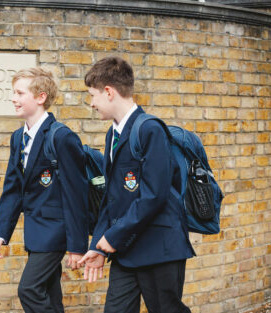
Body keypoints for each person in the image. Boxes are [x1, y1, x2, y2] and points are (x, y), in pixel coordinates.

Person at [78, 56, 195, 313]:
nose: (92, 103)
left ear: (108, 92)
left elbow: (154, 194)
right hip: (126, 251)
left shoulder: (150, 129)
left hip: (160, 249)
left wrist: (114, 236)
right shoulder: (113, 134)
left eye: (92, 95)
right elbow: (111, 197)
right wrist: (99, 244)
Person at [0, 67, 89, 313]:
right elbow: (13, 189)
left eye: (20, 93)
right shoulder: (17, 138)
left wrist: (77, 246)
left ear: (40, 97)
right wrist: (1, 233)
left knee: (29, 289)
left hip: (55, 232)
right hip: (35, 233)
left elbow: (76, 194)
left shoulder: (62, 137)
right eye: (14, 92)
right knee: (49, 295)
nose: (14, 98)